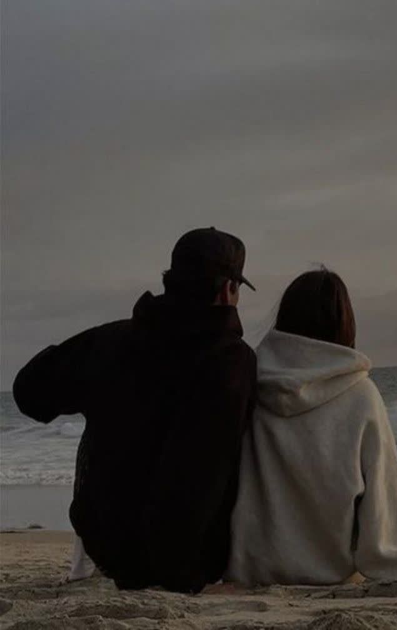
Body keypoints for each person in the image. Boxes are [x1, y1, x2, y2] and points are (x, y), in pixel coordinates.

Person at [12, 228, 257, 593]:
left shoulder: (112, 340)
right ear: (228, 290)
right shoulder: (231, 360)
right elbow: (203, 474)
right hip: (187, 561)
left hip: (107, 544)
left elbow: (28, 391)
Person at [226, 267, 397, 586]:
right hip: (329, 574)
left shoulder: (250, 383)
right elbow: (383, 507)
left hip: (250, 571)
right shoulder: (360, 395)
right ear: (345, 325)